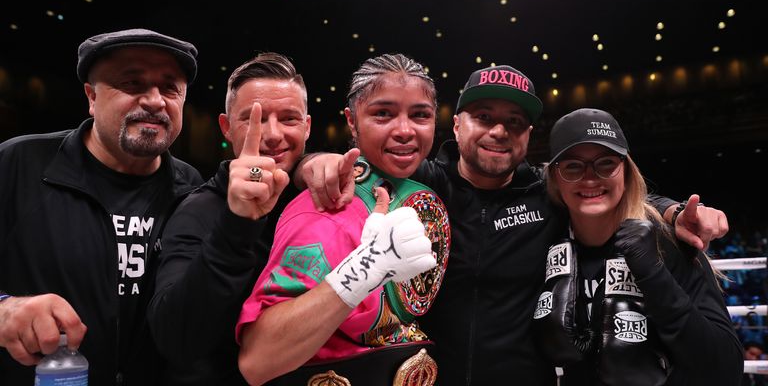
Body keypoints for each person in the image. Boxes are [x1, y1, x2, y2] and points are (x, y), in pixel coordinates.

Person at [297, 64, 730, 385]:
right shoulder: (424, 183)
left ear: (528, 135)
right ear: (457, 124)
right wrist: (315, 162)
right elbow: (357, 165)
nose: (500, 130)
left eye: (515, 122)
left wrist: (672, 211)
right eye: (484, 117)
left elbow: (605, 189)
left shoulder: (547, 192)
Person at [0, 28, 203, 385]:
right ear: (91, 97)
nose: (155, 100)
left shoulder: (193, 190)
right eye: (132, 83)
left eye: (170, 88)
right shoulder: (16, 163)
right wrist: (5, 309)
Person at [236, 53, 449, 386]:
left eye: (420, 115)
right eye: (383, 114)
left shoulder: (418, 188)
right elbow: (258, 360)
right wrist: (365, 267)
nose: (405, 130)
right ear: (352, 121)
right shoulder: (324, 206)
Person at [533, 107, 742, 384]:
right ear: (556, 179)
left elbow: (725, 371)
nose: (591, 177)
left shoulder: (670, 245)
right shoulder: (543, 241)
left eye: (606, 163)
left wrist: (654, 274)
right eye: (573, 166)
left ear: (626, 171)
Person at [147, 52, 309, 385]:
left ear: (307, 126)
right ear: (226, 127)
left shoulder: (316, 198)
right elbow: (175, 340)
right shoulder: (197, 210)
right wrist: (237, 224)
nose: (273, 133)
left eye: (289, 118)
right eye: (254, 119)